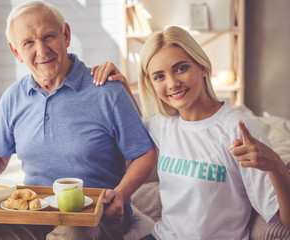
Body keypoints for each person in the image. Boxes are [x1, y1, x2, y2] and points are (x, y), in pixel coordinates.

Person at [0, 1, 156, 239]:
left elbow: (144, 153)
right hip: (35, 211)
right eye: (28, 42)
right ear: (16, 51)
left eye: (48, 36)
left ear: (66, 35)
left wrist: (121, 193)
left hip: (96, 214)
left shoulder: (106, 90)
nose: (42, 49)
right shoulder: (13, 98)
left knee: (74, 231)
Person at [91, 26, 290, 239]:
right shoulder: (162, 125)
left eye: (180, 68)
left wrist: (277, 167)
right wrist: (121, 86)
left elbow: (285, 219)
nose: (173, 83)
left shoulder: (237, 129)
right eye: (159, 76)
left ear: (202, 67)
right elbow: (135, 134)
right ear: (151, 83)